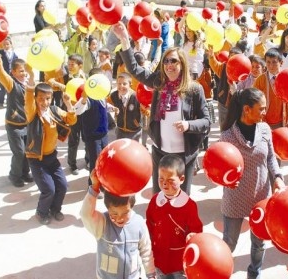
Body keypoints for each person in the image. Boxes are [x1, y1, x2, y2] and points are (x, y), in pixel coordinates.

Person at [112, 21, 211, 196]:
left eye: (173, 61)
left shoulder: (194, 89)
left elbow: (206, 122)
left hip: (184, 156)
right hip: (160, 153)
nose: (169, 65)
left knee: (181, 200)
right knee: (159, 198)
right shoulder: (159, 82)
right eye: (166, 61)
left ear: (182, 64)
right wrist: (125, 39)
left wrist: (188, 125)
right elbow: (134, 69)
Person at [220, 88, 285, 279]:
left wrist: (279, 177)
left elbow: (271, 158)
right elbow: (219, 167)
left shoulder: (265, 129)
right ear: (247, 109)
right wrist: (224, 179)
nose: (265, 112)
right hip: (235, 197)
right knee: (229, 243)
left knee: (259, 243)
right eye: (261, 109)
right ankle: (221, 272)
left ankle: (254, 274)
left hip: (261, 196)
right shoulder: (227, 137)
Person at [80, 169, 156, 279]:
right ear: (107, 208)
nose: (120, 218)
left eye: (125, 212)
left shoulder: (138, 223)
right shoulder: (102, 223)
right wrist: (94, 188)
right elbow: (86, 214)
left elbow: (146, 251)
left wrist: (151, 274)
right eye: (114, 213)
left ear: (132, 206)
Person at [24, 71, 77, 224]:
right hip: (36, 159)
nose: (44, 102)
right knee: (49, 190)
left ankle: (55, 209)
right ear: (35, 98)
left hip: (51, 157)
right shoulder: (32, 113)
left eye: (47, 98)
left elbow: (71, 120)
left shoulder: (53, 110)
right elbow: (28, 101)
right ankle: (41, 212)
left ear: (51, 98)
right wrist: (31, 84)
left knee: (63, 186)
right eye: (40, 98)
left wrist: (68, 104)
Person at [146, 154, 203, 278]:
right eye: (161, 179)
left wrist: (192, 235)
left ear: (182, 179)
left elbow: (196, 229)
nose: (165, 184)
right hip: (159, 258)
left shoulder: (189, 205)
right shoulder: (155, 200)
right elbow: (149, 224)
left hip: (178, 261)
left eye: (170, 180)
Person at [0, 46, 33, 188]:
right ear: (13, 72)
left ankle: (25, 173)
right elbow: (1, 73)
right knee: (19, 152)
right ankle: (14, 175)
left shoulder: (28, 85)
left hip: (27, 125)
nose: (23, 73)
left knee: (27, 152)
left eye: (25, 71)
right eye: (20, 71)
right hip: (14, 126)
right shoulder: (11, 84)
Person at [74, 68, 116, 185]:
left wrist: (112, 108)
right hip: (93, 137)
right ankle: (93, 184)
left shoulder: (101, 95)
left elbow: (104, 107)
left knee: (105, 158)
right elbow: (78, 111)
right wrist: (84, 98)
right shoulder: (88, 98)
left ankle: (103, 179)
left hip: (104, 134)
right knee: (96, 161)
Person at [253, 48, 288, 130]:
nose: (271, 66)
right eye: (268, 62)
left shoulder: (287, 79)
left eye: (274, 62)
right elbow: (254, 101)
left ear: (281, 63)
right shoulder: (260, 80)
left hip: (283, 122)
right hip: (264, 122)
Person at [107, 72, 142, 141]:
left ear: (130, 84)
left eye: (124, 84)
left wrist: (146, 111)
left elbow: (143, 109)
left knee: (132, 150)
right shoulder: (114, 95)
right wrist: (112, 108)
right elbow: (106, 104)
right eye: (119, 83)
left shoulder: (136, 97)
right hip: (120, 129)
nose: (121, 86)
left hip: (134, 131)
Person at [0, 37, 18, 108]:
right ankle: (0, 102)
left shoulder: (14, 54)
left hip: (12, 75)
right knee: (3, 89)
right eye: (4, 45)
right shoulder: (1, 53)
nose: (6, 46)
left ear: (11, 44)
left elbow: (17, 62)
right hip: (3, 74)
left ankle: (9, 102)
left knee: (10, 89)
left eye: (7, 44)